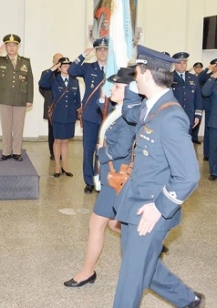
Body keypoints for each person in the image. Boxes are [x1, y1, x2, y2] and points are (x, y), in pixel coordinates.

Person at [113, 45, 203, 308]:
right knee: (142, 264)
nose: (134, 77)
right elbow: (131, 113)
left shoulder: (171, 116)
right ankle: (188, 300)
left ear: (148, 75)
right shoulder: (150, 106)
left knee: (131, 277)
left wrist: (159, 208)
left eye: (136, 73)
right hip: (135, 201)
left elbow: (188, 175)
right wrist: (128, 90)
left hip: (150, 209)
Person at [64, 66, 136, 289]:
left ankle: (87, 272)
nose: (111, 89)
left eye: (116, 86)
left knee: (96, 225)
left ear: (130, 91)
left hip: (115, 179)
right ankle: (149, 241)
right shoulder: (121, 109)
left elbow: (122, 147)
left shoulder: (127, 116)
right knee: (115, 224)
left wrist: (101, 152)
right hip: (112, 178)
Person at [0, 34, 34, 161]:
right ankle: (6, 152)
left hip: (20, 98)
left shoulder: (25, 62)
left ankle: (17, 152)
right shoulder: (0, 60)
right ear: (5, 46)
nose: (11, 48)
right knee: (6, 126)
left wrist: (29, 99)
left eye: (14, 45)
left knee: (18, 127)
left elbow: (30, 81)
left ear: (18, 46)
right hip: (5, 98)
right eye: (8, 45)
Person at [69, 37, 108, 194]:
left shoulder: (115, 68)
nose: (102, 52)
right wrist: (84, 55)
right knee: (88, 149)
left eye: (105, 49)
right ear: (96, 52)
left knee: (103, 150)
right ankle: (89, 181)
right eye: (99, 49)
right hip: (91, 115)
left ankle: (100, 178)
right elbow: (72, 70)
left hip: (107, 116)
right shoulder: (88, 67)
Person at [39, 57, 80, 177]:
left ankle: (65, 166)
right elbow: (42, 83)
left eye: (69, 66)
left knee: (66, 142)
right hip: (58, 115)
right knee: (57, 141)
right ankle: (57, 166)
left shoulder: (74, 81)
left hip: (70, 115)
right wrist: (52, 69)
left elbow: (77, 99)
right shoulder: (54, 80)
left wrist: (78, 113)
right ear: (60, 68)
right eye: (64, 66)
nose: (67, 68)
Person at [171, 52, 202, 136]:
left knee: (187, 141)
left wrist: (197, 116)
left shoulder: (193, 78)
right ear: (174, 64)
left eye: (184, 63)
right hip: (173, 116)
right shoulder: (169, 77)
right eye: (179, 63)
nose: (182, 65)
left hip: (189, 115)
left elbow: (198, 98)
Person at [39, 53, 63, 160]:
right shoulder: (46, 73)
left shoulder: (66, 73)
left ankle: (62, 152)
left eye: (60, 60)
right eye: (56, 60)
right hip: (51, 107)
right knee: (52, 130)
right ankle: (53, 152)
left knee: (62, 131)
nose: (58, 63)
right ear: (53, 61)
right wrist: (50, 99)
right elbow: (41, 88)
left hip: (63, 108)